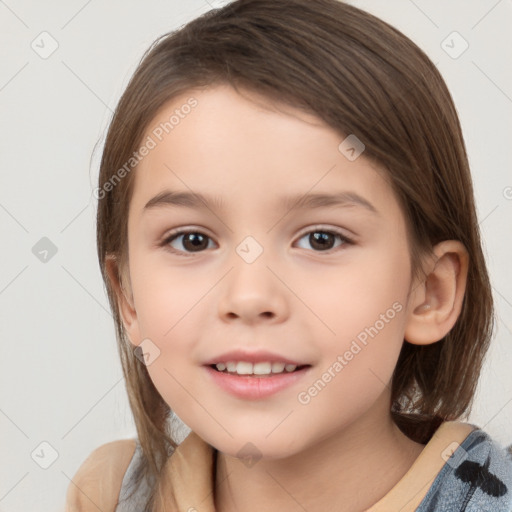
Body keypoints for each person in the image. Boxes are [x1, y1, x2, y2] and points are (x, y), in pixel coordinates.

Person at [65, 0, 512, 510]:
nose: (250, 296)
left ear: (430, 293)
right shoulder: (112, 493)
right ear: (128, 300)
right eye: (192, 240)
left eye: (321, 239)